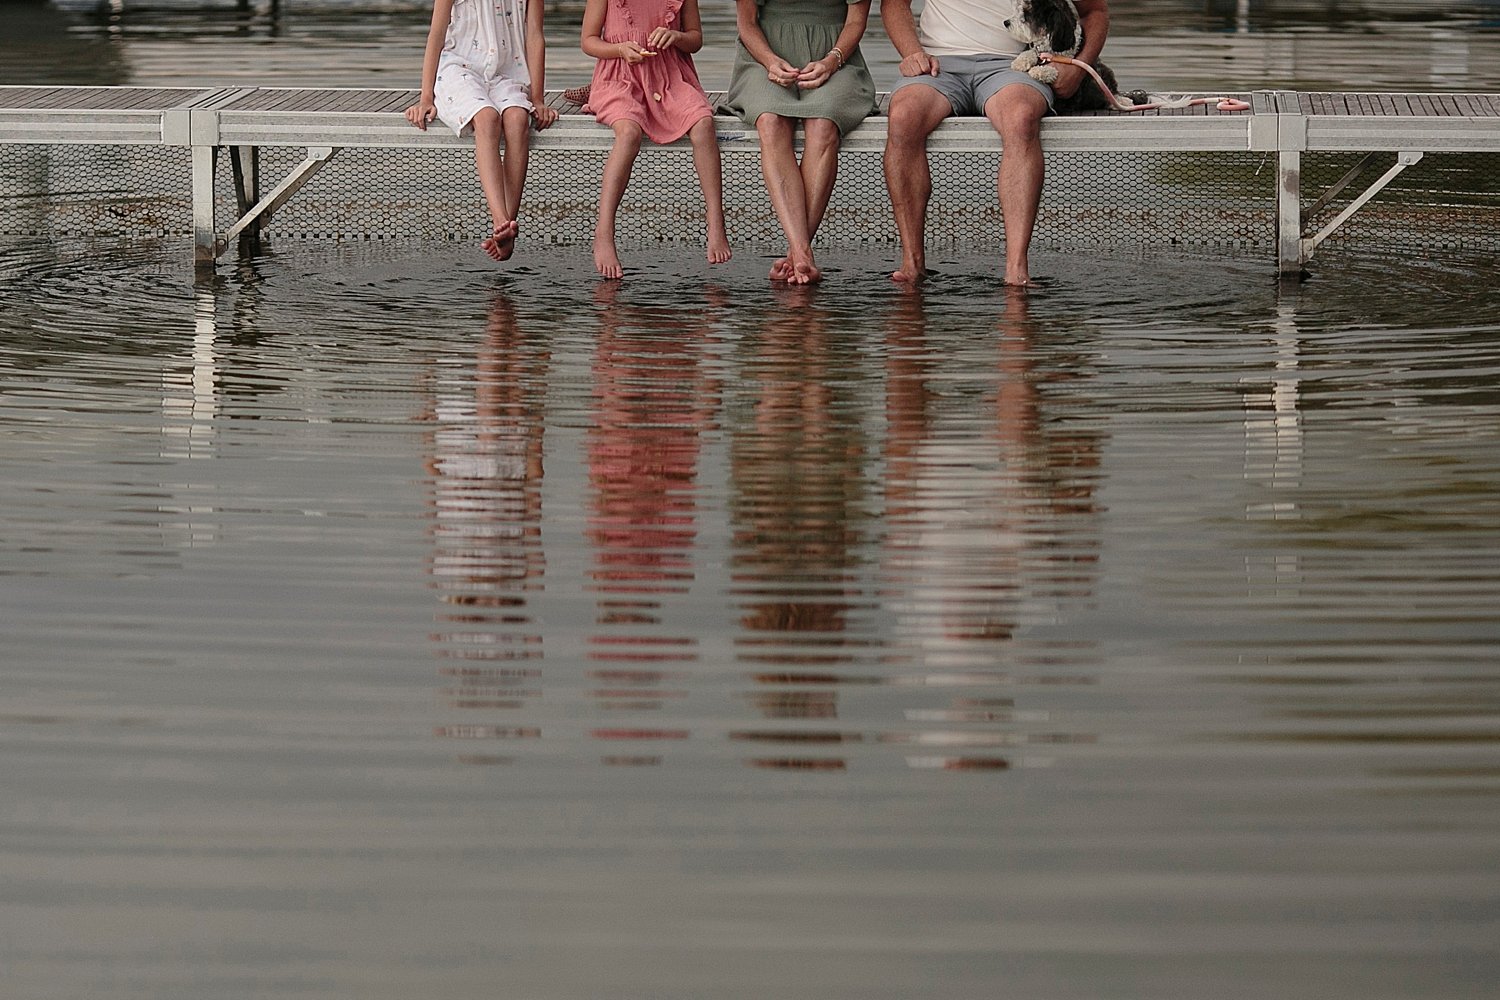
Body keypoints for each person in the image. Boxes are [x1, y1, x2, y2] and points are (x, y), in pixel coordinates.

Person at [880, 0, 1109, 286]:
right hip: (938, 64)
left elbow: (1094, 12)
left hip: (1014, 66)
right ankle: (912, 264)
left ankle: (1016, 270)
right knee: (903, 117)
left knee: (1021, 118)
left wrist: (1080, 67)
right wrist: (913, 52)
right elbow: (894, 4)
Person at [721, 0, 878, 284]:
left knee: (824, 123)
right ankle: (803, 253)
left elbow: (856, 22)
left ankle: (797, 253)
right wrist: (769, 61)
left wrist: (832, 61)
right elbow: (747, 23)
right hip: (764, 55)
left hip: (836, 56)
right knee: (770, 121)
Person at [581, 0, 733, 279]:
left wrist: (677, 37)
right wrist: (619, 49)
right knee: (628, 132)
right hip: (619, 78)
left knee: (703, 123)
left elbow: (695, 39)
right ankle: (603, 231)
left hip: (670, 76)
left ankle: (715, 221)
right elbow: (589, 41)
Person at [405, 0, 559, 262]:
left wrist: (538, 98)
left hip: (505, 73)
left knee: (517, 120)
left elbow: (535, 36)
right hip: (459, 70)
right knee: (487, 118)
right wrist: (426, 98)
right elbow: (437, 35)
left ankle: (507, 228)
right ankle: (502, 219)